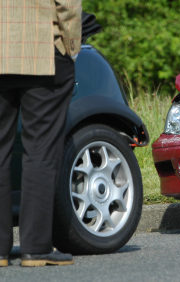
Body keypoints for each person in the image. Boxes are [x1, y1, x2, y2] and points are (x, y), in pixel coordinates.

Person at [0, 0, 81, 267]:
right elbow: (67, 4)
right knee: (41, 150)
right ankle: (35, 248)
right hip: (41, 47)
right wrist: (71, 48)